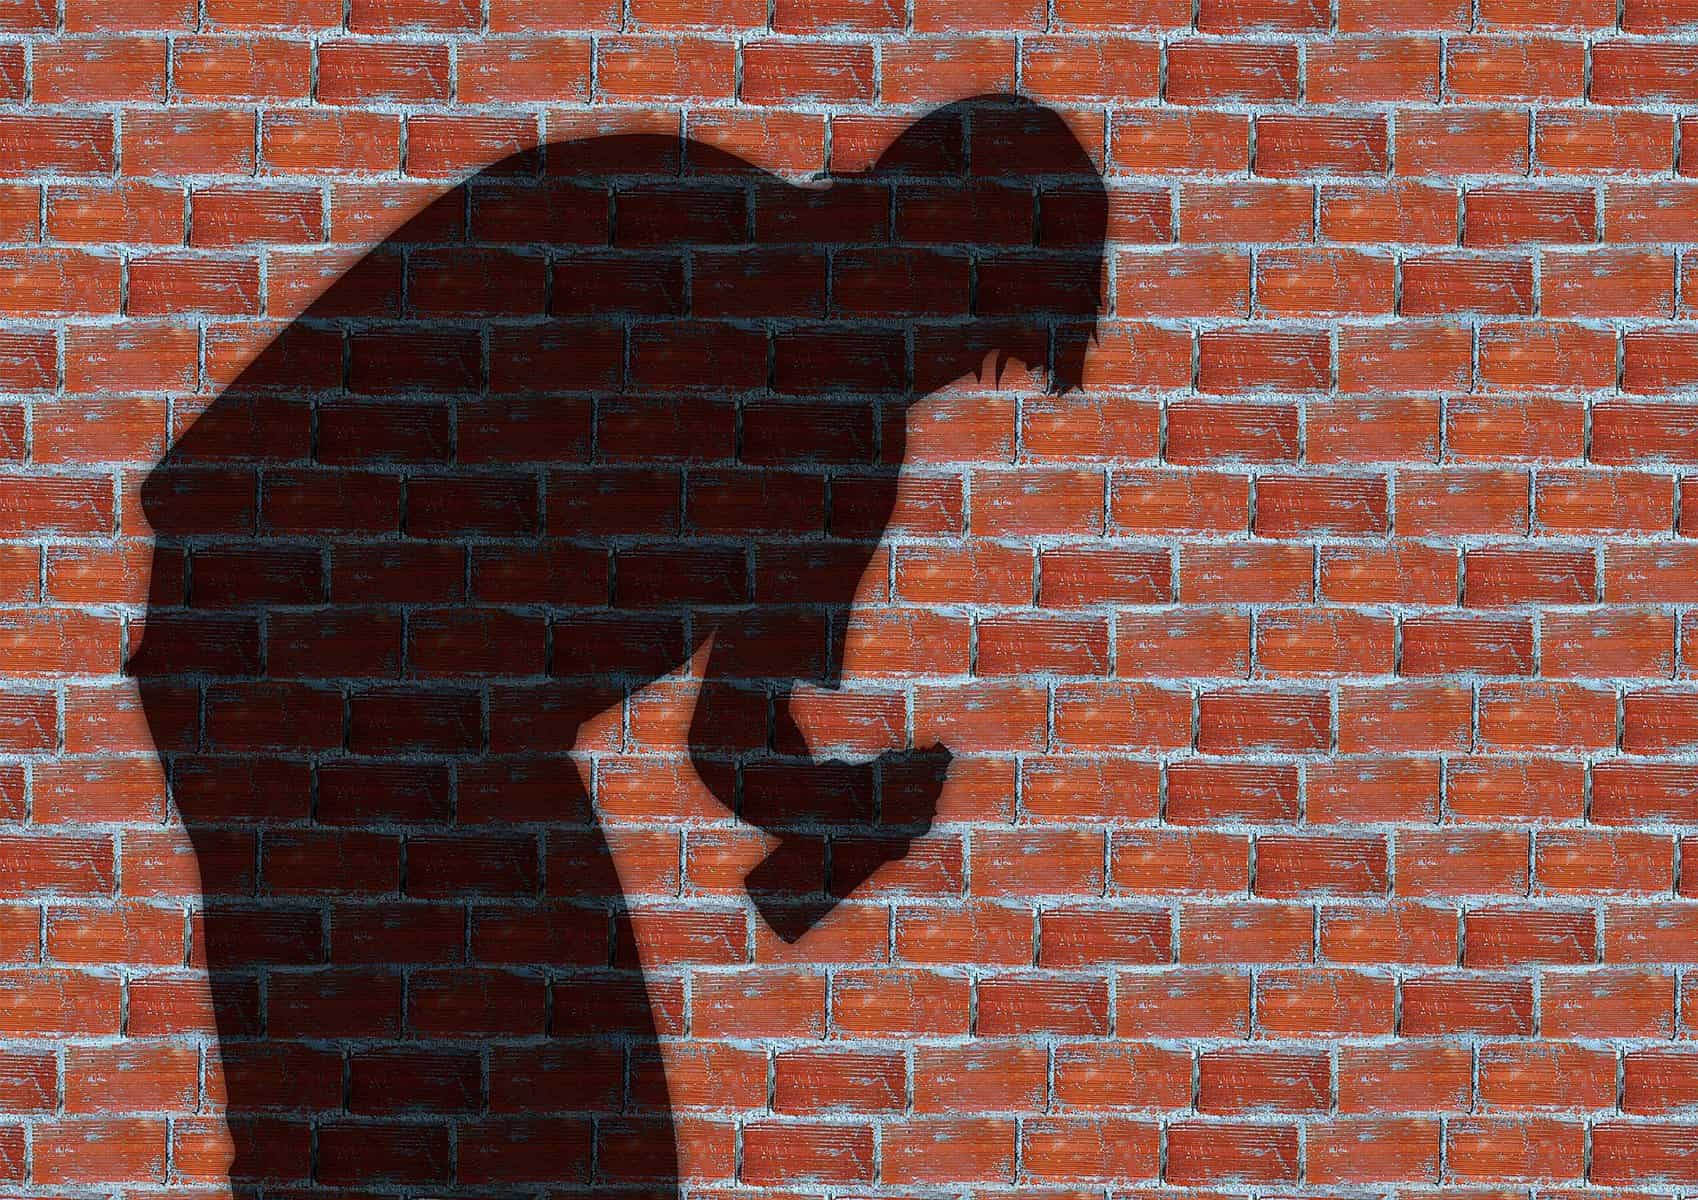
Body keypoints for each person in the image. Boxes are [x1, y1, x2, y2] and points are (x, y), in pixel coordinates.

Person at [127, 92, 1108, 1198]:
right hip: (291, 639)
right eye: (977, 324)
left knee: (517, 1138)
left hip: (398, 703)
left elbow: (730, 740)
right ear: (919, 236)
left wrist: (844, 814)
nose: (950, 362)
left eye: (987, 352)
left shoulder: (841, 436)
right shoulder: (673, 219)